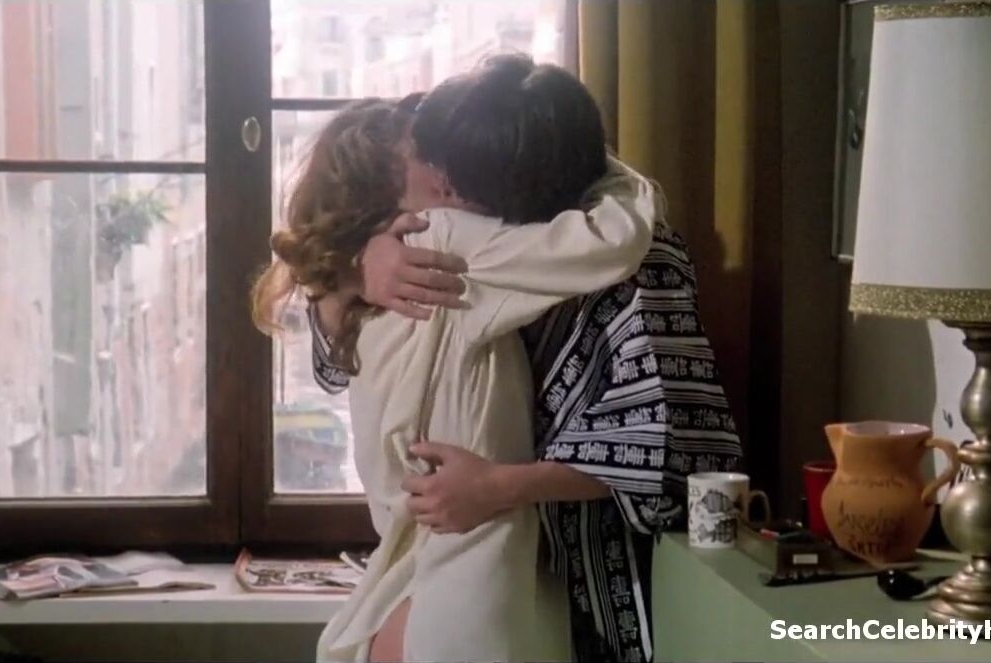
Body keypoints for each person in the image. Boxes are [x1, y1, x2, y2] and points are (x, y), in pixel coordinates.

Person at [308, 54, 745, 662]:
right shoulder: (427, 240)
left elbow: (673, 452)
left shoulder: (638, 262)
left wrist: (498, 486)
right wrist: (356, 273)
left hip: (593, 577)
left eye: (451, 180)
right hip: (448, 551)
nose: (440, 188)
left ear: (503, 189)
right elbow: (337, 365)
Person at [252, 69, 658, 661]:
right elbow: (614, 238)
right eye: (424, 156)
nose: (446, 170)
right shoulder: (443, 241)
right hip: (470, 553)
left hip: (420, 551)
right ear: (383, 186)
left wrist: (350, 266)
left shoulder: (372, 282)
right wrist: (609, 171)